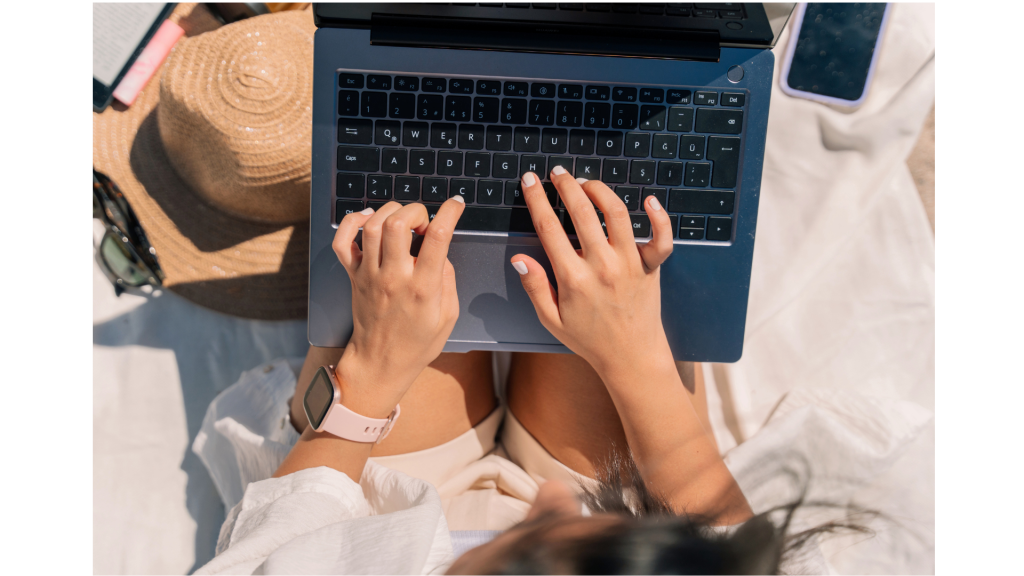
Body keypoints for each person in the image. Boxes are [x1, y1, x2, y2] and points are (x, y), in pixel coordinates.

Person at [195, 168, 835, 575]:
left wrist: (374, 367)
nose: (556, 500)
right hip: (619, 539)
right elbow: (718, 532)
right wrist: (635, 354)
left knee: (404, 204)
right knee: (610, 217)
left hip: (368, 522)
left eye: (532, 535)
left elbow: (286, 532)